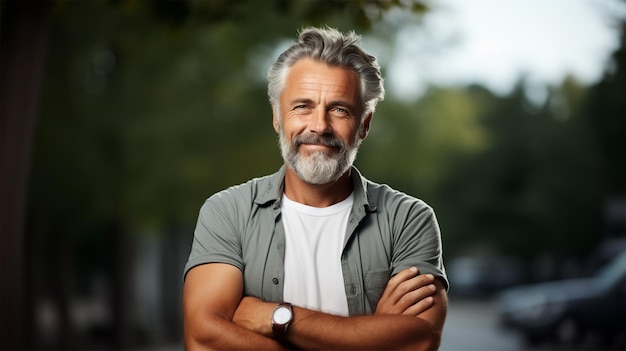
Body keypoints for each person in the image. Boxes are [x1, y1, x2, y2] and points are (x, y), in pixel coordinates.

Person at [183, 26, 448, 351]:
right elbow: (203, 339)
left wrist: (278, 318)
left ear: (364, 124)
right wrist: (372, 336)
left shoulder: (408, 218)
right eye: (302, 106)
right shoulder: (227, 212)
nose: (319, 126)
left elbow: (418, 341)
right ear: (278, 117)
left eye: (339, 109)